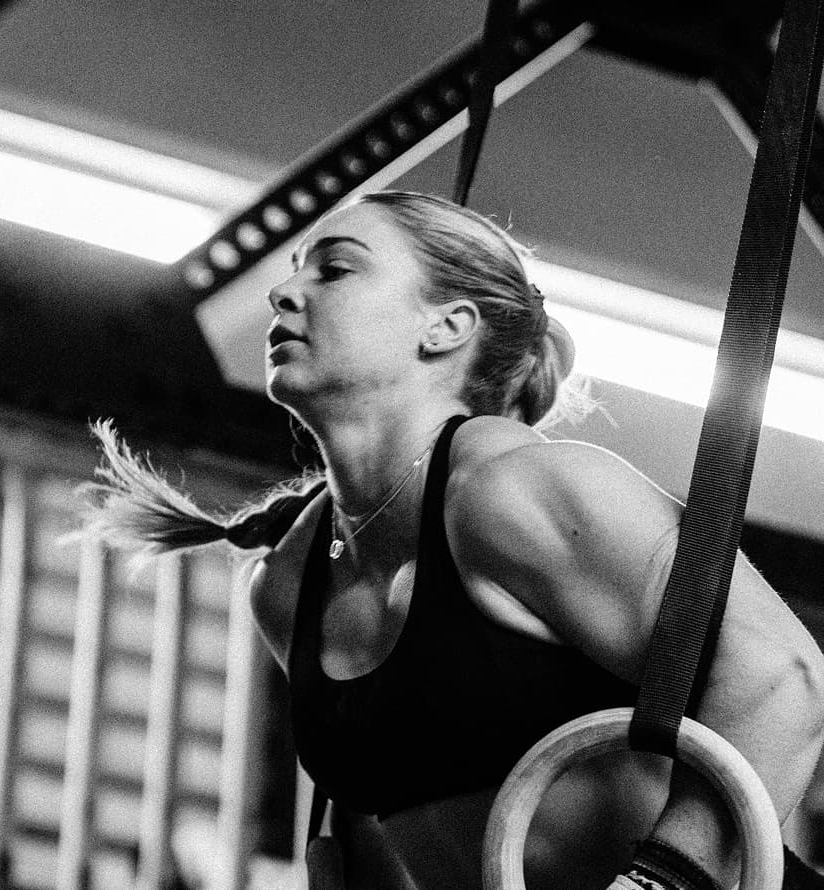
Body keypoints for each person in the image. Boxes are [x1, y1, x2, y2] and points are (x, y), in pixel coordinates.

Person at [84, 190, 824, 890]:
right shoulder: (286, 583)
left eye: (334, 270)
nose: (283, 292)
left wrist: (664, 881)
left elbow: (782, 677)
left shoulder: (511, 490)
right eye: (294, 271)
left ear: (445, 327)